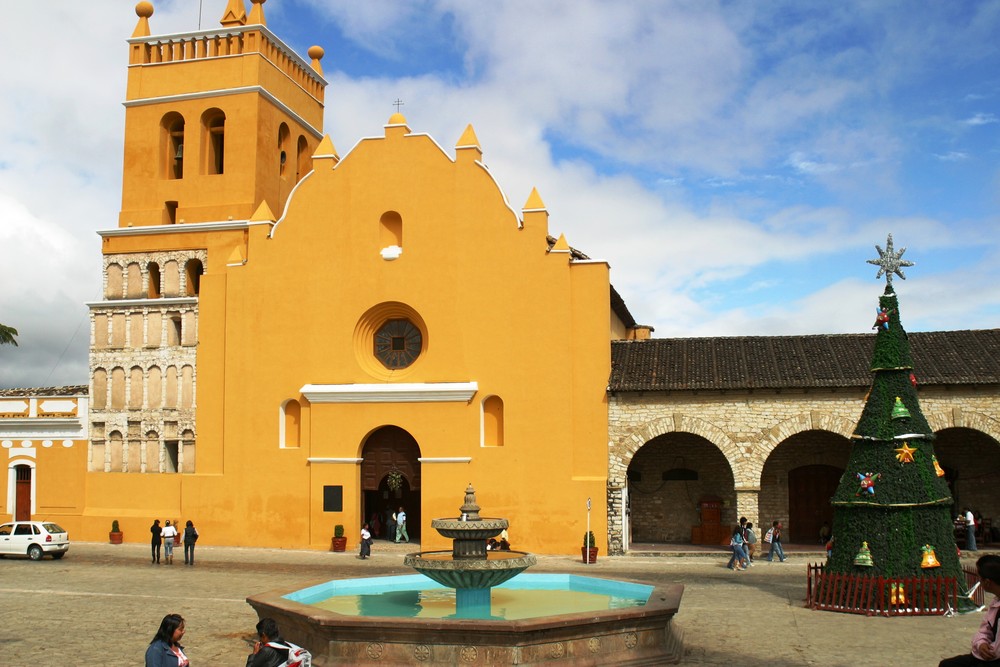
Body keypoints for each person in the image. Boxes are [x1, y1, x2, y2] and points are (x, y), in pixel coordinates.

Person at [938, 555, 1000, 666]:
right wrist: (981, 644)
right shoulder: (996, 602)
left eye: (979, 578)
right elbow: (985, 629)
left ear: (987, 582)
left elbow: (996, 651)